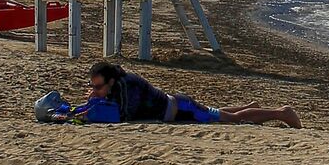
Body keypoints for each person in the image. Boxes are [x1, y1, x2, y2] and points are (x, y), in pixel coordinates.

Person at [68, 60, 302, 127]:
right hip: (177, 107)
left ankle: (282, 113)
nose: (96, 90)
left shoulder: (126, 85)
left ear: (110, 81)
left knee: (230, 119)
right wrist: (98, 98)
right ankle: (251, 106)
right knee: (215, 112)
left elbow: (125, 115)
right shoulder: (117, 84)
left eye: (98, 86)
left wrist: (98, 101)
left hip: (181, 108)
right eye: (93, 86)